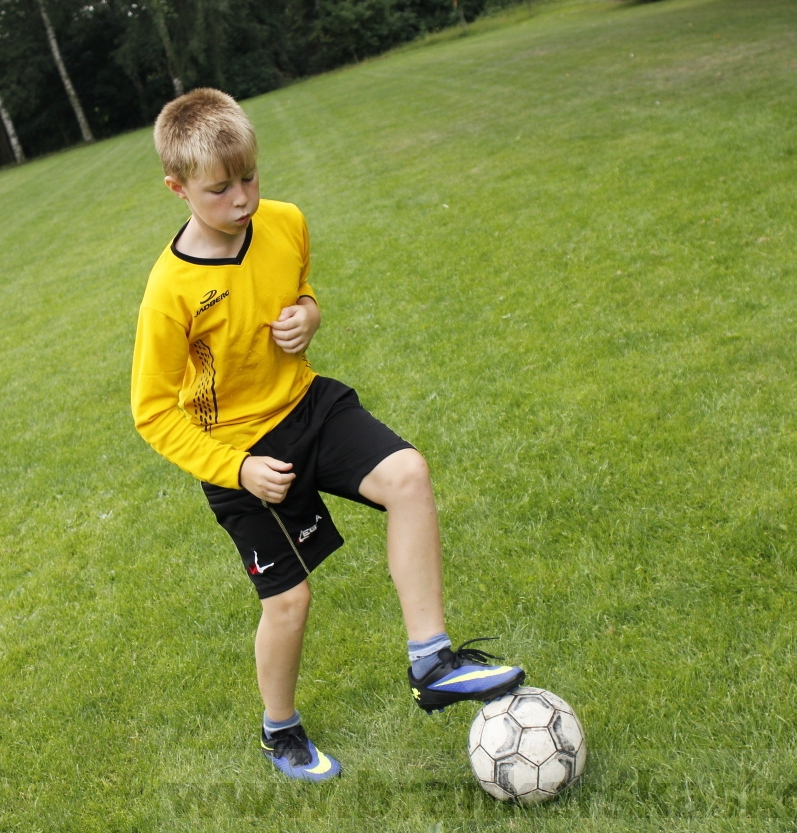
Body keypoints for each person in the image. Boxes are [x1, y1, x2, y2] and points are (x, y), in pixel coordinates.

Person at [131, 88, 524, 782]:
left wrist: (308, 315)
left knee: (408, 474)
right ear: (177, 187)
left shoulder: (286, 223)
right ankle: (279, 731)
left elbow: (299, 289)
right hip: (242, 452)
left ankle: (432, 658)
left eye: (249, 177)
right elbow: (153, 410)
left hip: (309, 405)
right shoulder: (170, 289)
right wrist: (236, 469)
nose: (243, 199)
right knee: (290, 600)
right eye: (219, 189)